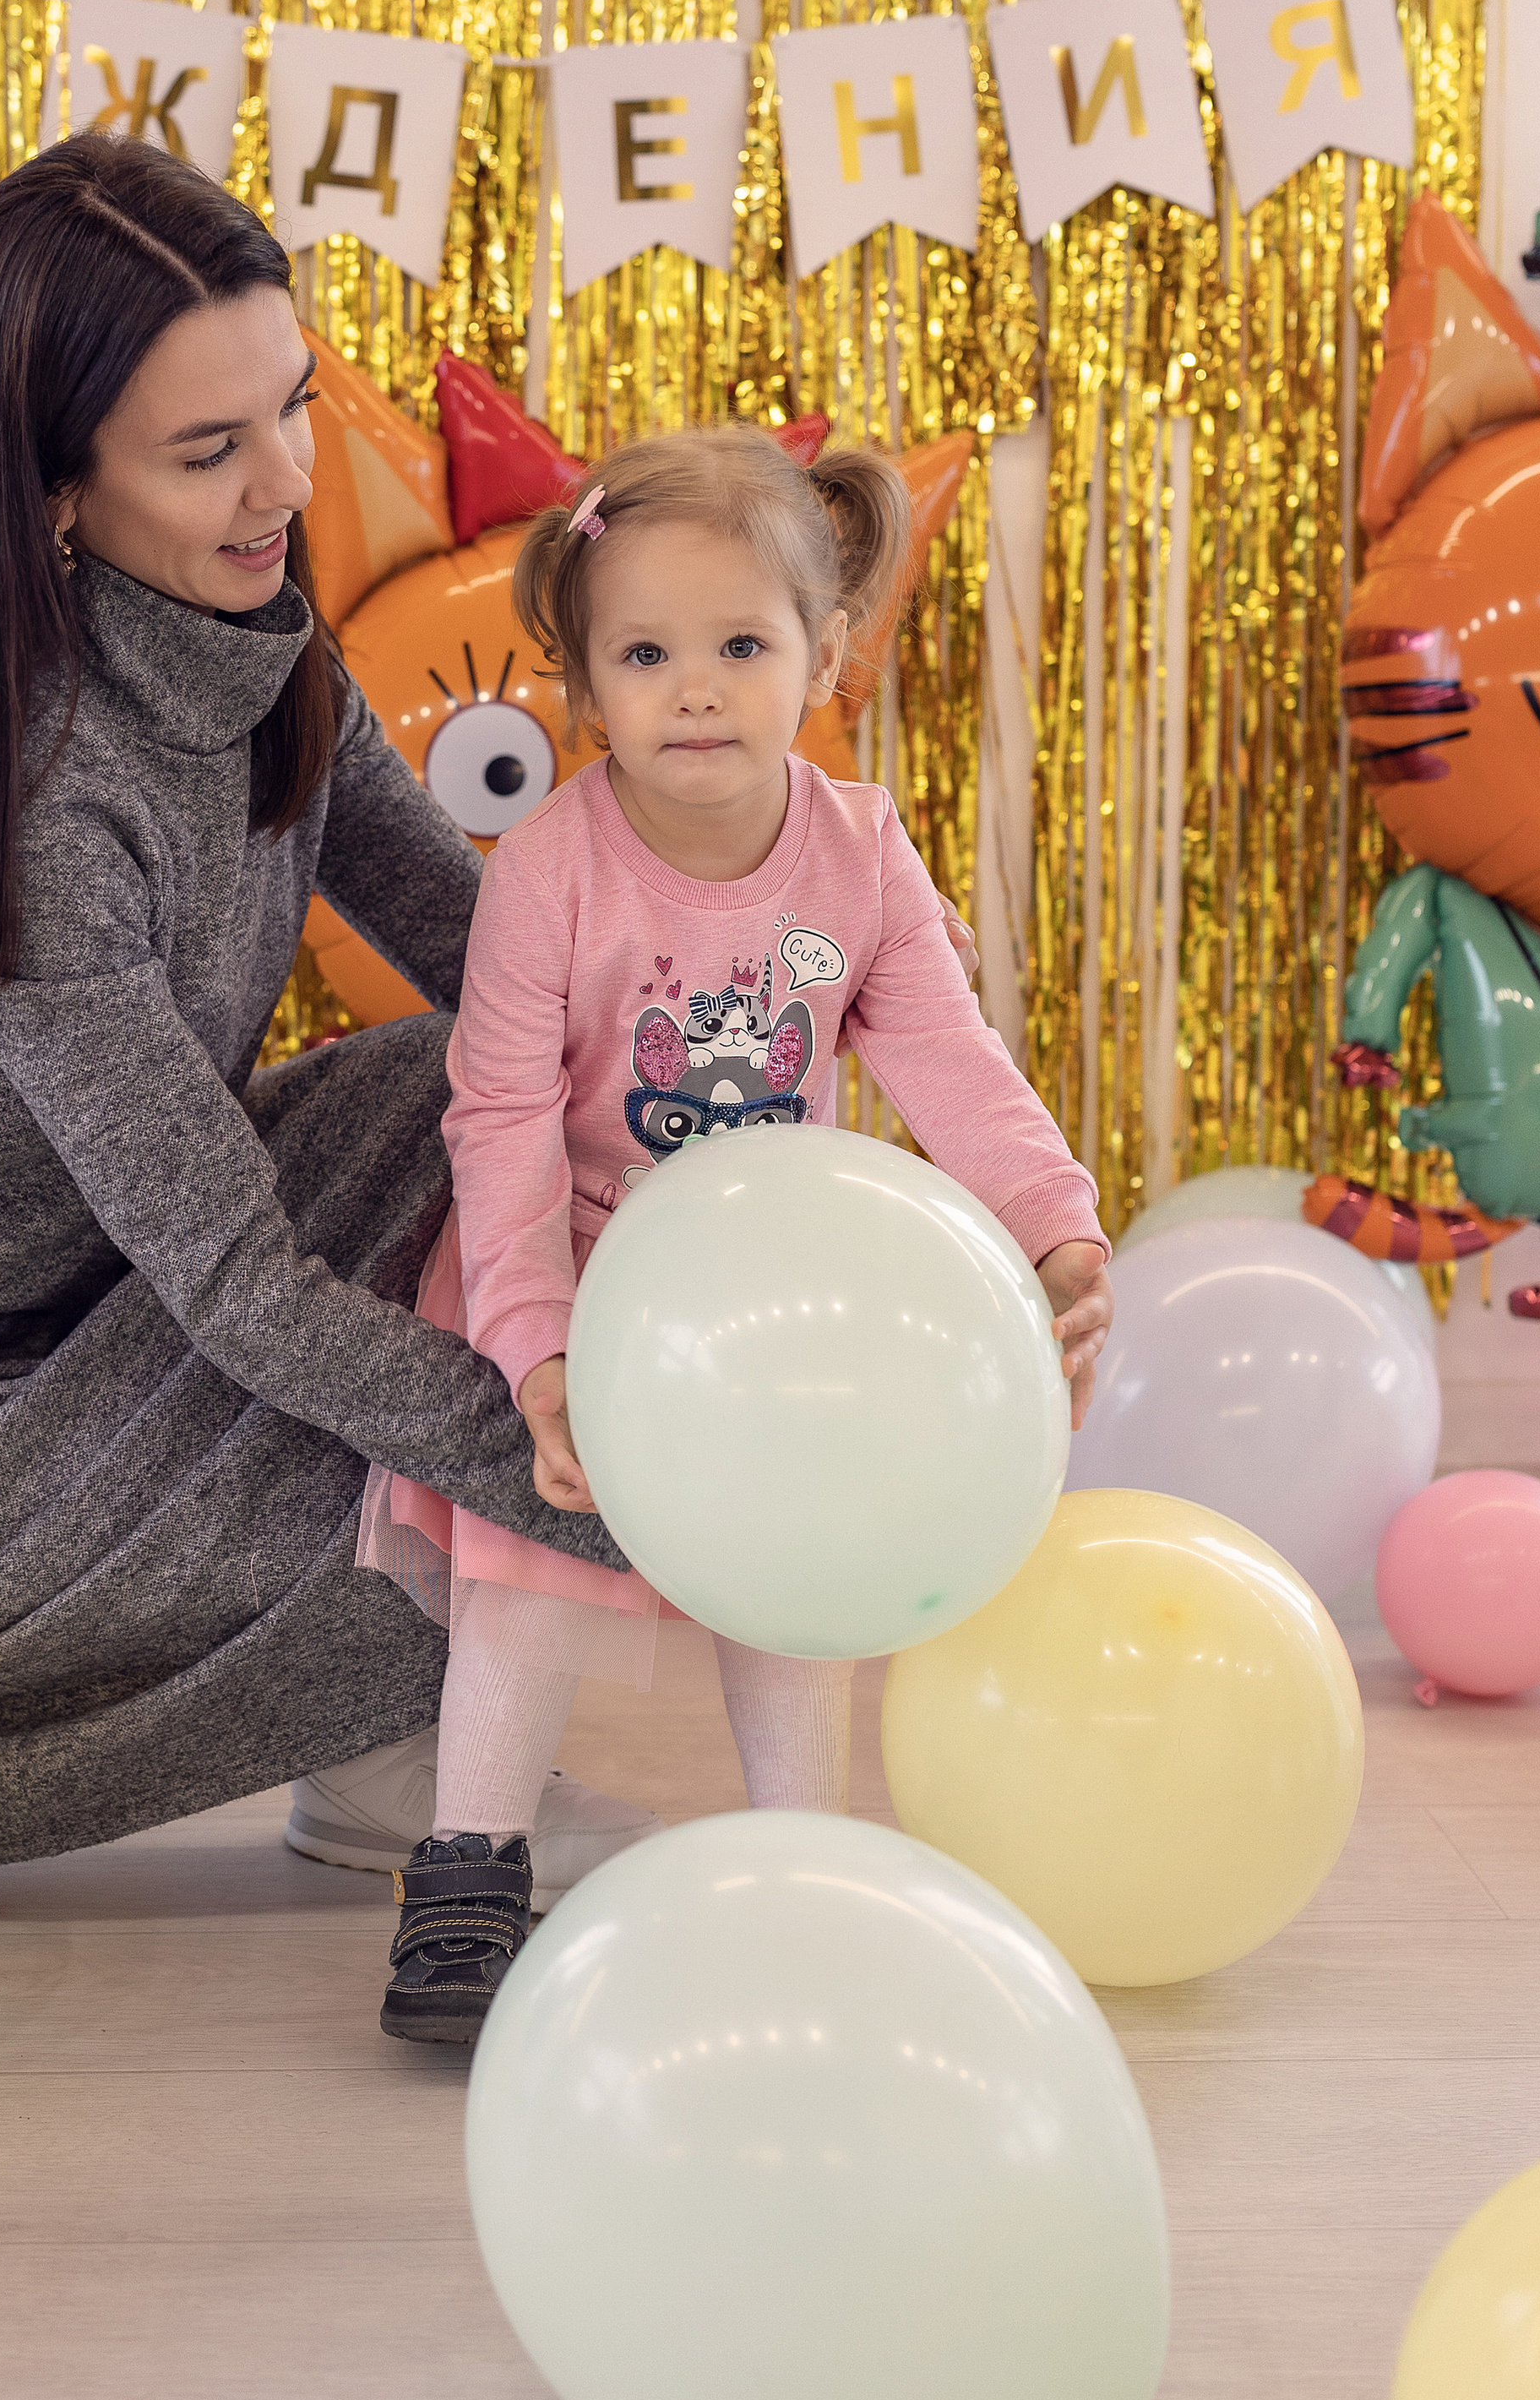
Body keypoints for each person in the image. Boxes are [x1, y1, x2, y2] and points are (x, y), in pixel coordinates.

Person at [0, 133, 652, 1893]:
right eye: (208, 450)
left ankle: (398, 1723)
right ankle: (390, 1740)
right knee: (388, 1323)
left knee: (491, 1094)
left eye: (293, 405)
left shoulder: (249, 629)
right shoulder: (37, 795)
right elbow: (237, 1288)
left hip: (78, 1297)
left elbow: (500, 978)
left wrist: (755, 1018)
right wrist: (582, 1464)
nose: (282, 482)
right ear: (51, 492)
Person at [360, 427, 1114, 2042]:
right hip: (575, 1270)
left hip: (779, 1305)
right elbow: (494, 1118)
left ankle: (803, 1867)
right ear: (581, 684)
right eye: (644, 655)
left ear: (827, 654)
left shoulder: (862, 856)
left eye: (740, 647)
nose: (692, 690)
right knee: (535, 1572)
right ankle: (469, 1871)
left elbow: (944, 1062)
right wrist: (538, 1347)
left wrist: (1054, 1226)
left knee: (797, 1587)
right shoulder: (547, 872)